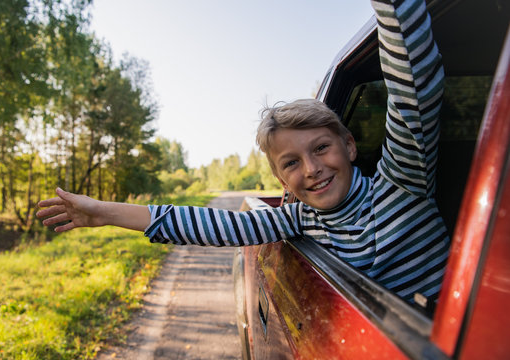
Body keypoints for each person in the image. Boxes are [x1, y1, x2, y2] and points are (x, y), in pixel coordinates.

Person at [37, 0, 449, 308]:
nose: (313, 169)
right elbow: (203, 223)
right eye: (291, 162)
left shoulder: (403, 179)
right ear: (280, 180)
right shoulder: (296, 220)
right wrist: (103, 213)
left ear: (349, 145)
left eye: (321, 147)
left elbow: (416, 87)